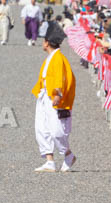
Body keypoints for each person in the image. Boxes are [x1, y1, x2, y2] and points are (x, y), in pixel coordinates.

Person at [32, 23, 78, 172]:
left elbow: (60, 78)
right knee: (42, 127)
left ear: (47, 43)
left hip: (54, 97)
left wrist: (57, 94)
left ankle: (68, 154)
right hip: (45, 96)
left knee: (56, 130)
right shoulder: (51, 58)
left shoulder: (58, 58)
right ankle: (49, 160)